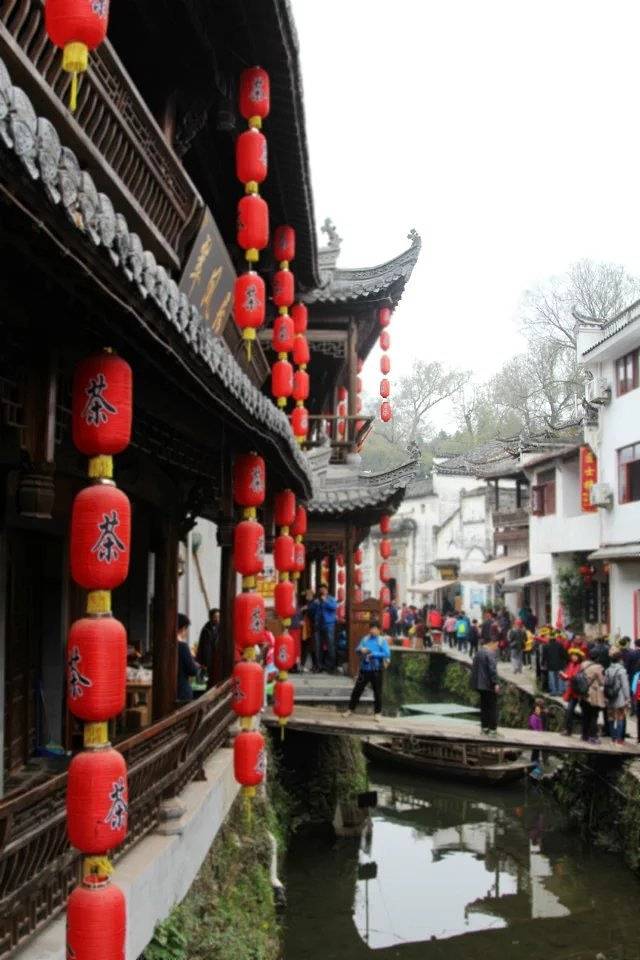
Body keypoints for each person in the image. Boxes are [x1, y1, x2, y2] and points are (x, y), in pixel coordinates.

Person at [343, 621, 390, 720]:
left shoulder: (382, 641)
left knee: (377, 692)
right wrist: (361, 650)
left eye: (374, 629)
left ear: (379, 630)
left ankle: (377, 713)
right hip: (365, 669)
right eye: (371, 629)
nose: (372, 631)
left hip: (376, 670)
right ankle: (350, 709)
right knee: (357, 690)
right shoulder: (365, 639)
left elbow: (387, 653)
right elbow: (357, 649)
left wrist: (374, 654)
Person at [470, 636, 500, 736]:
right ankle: (493, 730)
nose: (497, 647)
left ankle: (484, 728)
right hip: (488, 685)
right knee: (492, 707)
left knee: (484, 707)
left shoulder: (478, 652)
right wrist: (495, 683)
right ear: (492, 643)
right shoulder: (490, 653)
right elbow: (492, 670)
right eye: (496, 645)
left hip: (479, 685)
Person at [577, 652, 605, 744]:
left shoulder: (583, 664)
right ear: (597, 658)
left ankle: (584, 735)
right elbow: (602, 681)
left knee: (585, 715)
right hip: (593, 695)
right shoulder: (598, 667)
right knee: (594, 716)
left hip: (583, 693)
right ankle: (593, 737)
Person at [308, 586, 338, 672]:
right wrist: (314, 604)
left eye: (324, 589)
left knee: (330, 645)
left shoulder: (331, 599)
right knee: (318, 646)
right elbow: (311, 610)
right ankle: (319, 666)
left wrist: (325, 601)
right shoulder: (317, 600)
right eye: (321, 590)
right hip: (318, 625)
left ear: (327, 591)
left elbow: (334, 607)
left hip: (329, 625)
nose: (322, 591)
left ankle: (331, 666)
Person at [604, 648, 631, 745]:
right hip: (620, 697)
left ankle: (613, 738)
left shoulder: (608, 670)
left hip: (610, 696)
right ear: (620, 659)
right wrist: (627, 698)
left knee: (611, 718)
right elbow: (625, 685)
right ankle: (619, 739)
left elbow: (605, 683)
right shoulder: (622, 671)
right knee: (620, 718)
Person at [560, 647, 585, 735]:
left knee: (584, 712)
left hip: (579, 692)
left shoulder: (581, 666)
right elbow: (567, 675)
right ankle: (568, 730)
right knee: (569, 711)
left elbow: (576, 677)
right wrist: (562, 675)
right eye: (572, 656)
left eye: (575, 656)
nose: (573, 657)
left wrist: (568, 677)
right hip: (572, 691)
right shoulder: (570, 664)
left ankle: (585, 731)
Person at [177, 613, 199, 702]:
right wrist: (195, 663)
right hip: (182, 691)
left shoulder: (164, 646)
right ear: (183, 628)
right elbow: (193, 671)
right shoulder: (182, 646)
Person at [196, 608, 220, 687]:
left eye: (218, 616)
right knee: (208, 682)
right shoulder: (205, 629)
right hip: (208, 660)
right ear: (210, 617)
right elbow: (201, 646)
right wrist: (200, 661)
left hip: (218, 660)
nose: (217, 619)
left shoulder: (222, 628)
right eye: (215, 617)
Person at [528, 699, 545, 775]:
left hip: (538, 738)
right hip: (535, 738)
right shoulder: (533, 717)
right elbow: (534, 728)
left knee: (536, 754)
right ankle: (534, 772)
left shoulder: (538, 716)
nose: (539, 711)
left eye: (540, 710)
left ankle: (534, 772)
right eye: (538, 710)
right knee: (535, 754)